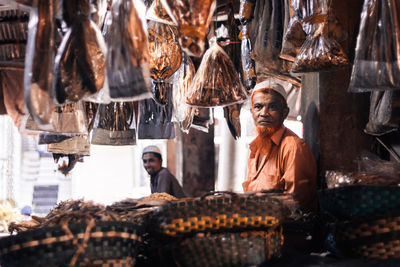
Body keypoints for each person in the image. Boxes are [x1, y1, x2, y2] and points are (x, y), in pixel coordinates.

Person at [242, 80, 317, 212]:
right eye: (258, 107)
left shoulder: (293, 147)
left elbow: (296, 204)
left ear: (284, 113)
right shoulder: (256, 147)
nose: (264, 113)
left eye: (272, 107)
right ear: (251, 112)